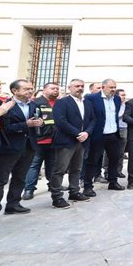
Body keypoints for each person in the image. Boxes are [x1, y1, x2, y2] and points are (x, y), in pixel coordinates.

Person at [0, 79, 42, 224]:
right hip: (8, 147)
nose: (30, 91)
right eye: (26, 89)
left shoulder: (34, 105)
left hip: (28, 147)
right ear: (15, 91)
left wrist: (38, 123)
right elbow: (5, 128)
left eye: (31, 88)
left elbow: (35, 125)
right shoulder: (5, 105)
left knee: (20, 177)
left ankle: (13, 204)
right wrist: (26, 124)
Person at [50, 79, 95, 208]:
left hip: (83, 140)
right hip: (66, 141)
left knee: (77, 169)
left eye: (82, 86)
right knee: (60, 170)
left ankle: (74, 192)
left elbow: (93, 119)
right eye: (76, 86)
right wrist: (77, 133)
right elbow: (61, 121)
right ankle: (57, 197)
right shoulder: (62, 102)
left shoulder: (87, 103)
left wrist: (87, 132)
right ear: (70, 87)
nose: (79, 88)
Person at [84, 78, 125, 193]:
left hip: (113, 134)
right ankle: (87, 186)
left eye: (114, 87)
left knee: (114, 159)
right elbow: (87, 116)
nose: (113, 90)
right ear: (103, 87)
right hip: (98, 134)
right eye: (111, 87)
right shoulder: (92, 98)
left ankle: (113, 182)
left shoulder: (116, 99)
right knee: (93, 161)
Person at [22, 81, 59, 201]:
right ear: (44, 90)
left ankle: (53, 185)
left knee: (52, 165)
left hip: (54, 140)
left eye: (57, 89)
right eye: (53, 88)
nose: (56, 90)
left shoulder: (60, 104)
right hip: (39, 140)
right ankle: (29, 189)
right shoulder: (35, 103)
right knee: (34, 165)